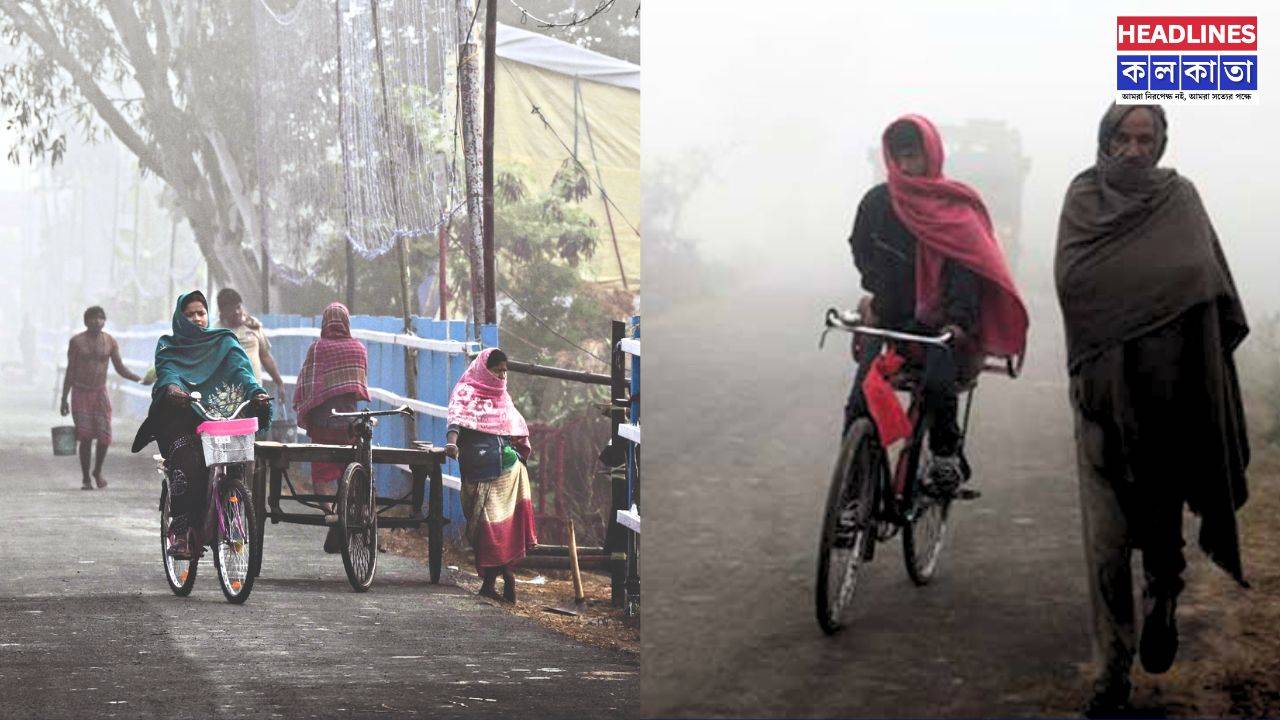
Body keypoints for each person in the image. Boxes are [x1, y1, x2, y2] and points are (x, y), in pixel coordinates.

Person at [1056, 104, 1251, 716]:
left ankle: (1164, 596)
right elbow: (1074, 281)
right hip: (1102, 403)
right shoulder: (1083, 199)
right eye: (1124, 137)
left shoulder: (1180, 198)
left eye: (1147, 139)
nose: (1135, 149)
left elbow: (1206, 281)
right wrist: (1148, 295)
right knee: (1106, 547)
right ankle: (1112, 671)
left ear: (1162, 144)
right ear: (1105, 140)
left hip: (1170, 401)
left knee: (1161, 532)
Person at [845, 115, 1028, 493]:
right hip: (888, 316)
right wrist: (877, 289)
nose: (905, 165)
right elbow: (860, 247)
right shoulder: (877, 203)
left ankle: (945, 456)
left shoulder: (954, 207)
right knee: (859, 401)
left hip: (939, 322)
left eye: (913, 156)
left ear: (930, 155)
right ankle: (852, 490)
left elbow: (969, 266)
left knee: (938, 381)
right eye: (899, 157)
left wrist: (957, 322)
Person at [131, 291, 272, 559]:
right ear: (180, 318)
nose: (197, 318)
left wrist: (257, 392)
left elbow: (242, 373)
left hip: (221, 419)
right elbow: (168, 373)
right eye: (189, 314)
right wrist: (173, 390)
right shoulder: (169, 346)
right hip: (182, 418)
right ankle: (182, 532)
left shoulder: (224, 341)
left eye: (201, 313)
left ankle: (231, 513)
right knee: (187, 459)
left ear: (208, 315)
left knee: (237, 462)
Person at [444, 348, 537, 602]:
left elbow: (515, 427)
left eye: (505, 371)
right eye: (497, 371)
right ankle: (501, 577)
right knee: (490, 527)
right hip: (480, 467)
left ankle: (497, 580)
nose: (502, 376)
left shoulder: (502, 395)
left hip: (508, 471)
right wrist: (451, 443)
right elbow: (456, 421)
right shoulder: (466, 391)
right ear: (485, 370)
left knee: (497, 527)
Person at [292, 302, 370, 554]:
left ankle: (332, 514)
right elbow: (358, 388)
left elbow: (308, 386)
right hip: (350, 427)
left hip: (323, 427)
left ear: (325, 323)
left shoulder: (318, 348)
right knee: (351, 469)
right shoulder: (359, 349)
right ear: (347, 322)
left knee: (321, 478)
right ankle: (348, 512)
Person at [60, 306, 146, 490]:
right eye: (93, 318)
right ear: (86, 321)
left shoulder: (110, 341)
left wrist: (139, 379)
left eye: (100, 318)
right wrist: (63, 399)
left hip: (100, 393)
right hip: (80, 393)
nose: (96, 321)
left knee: (104, 436)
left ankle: (97, 471)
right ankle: (86, 478)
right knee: (85, 437)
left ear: (104, 321)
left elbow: (120, 368)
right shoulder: (76, 342)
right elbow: (70, 370)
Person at [216, 288, 286, 404]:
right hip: (228, 395)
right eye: (231, 309)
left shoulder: (253, 325)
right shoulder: (216, 331)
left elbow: (265, 356)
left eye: (238, 307)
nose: (237, 312)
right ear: (222, 312)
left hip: (255, 393)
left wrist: (279, 382)